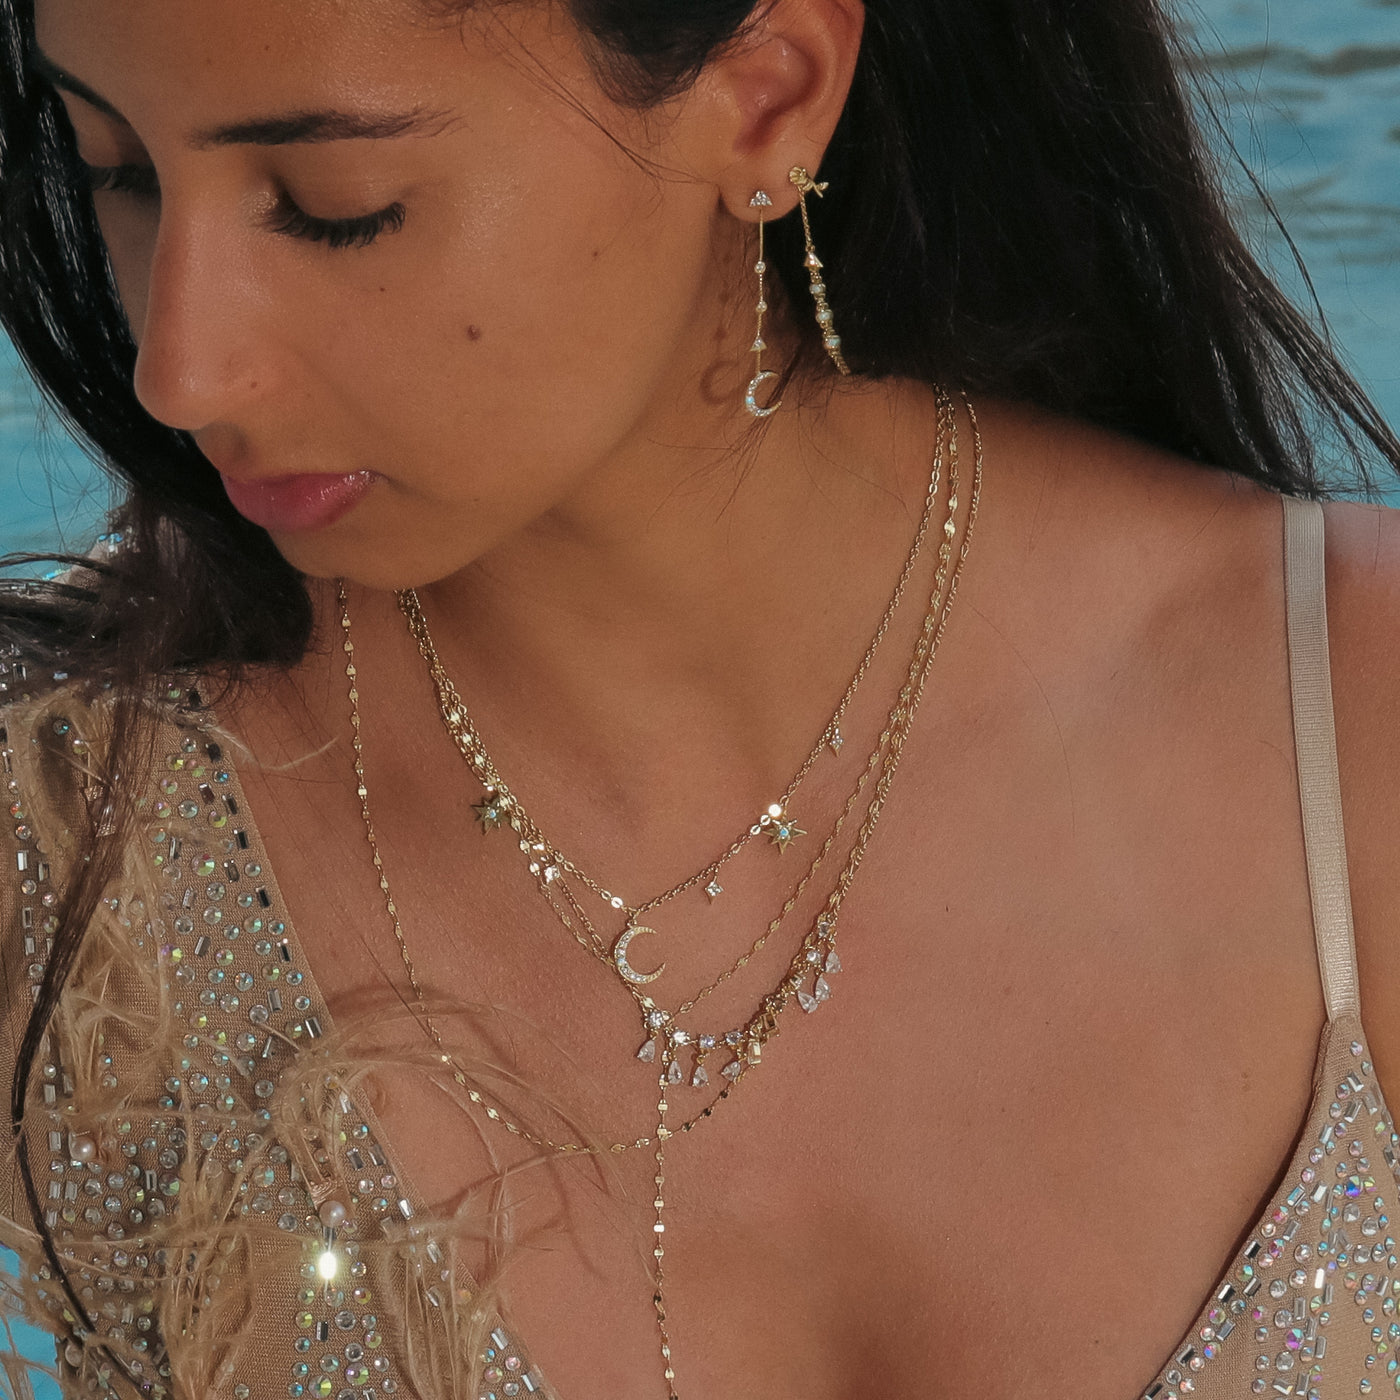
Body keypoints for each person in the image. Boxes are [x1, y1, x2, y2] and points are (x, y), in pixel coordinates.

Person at [2, 0, 1400, 1395]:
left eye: (336, 206)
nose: (178, 368)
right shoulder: (77, 846)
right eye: (120, 170)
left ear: (769, 94)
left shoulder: (1357, 729)